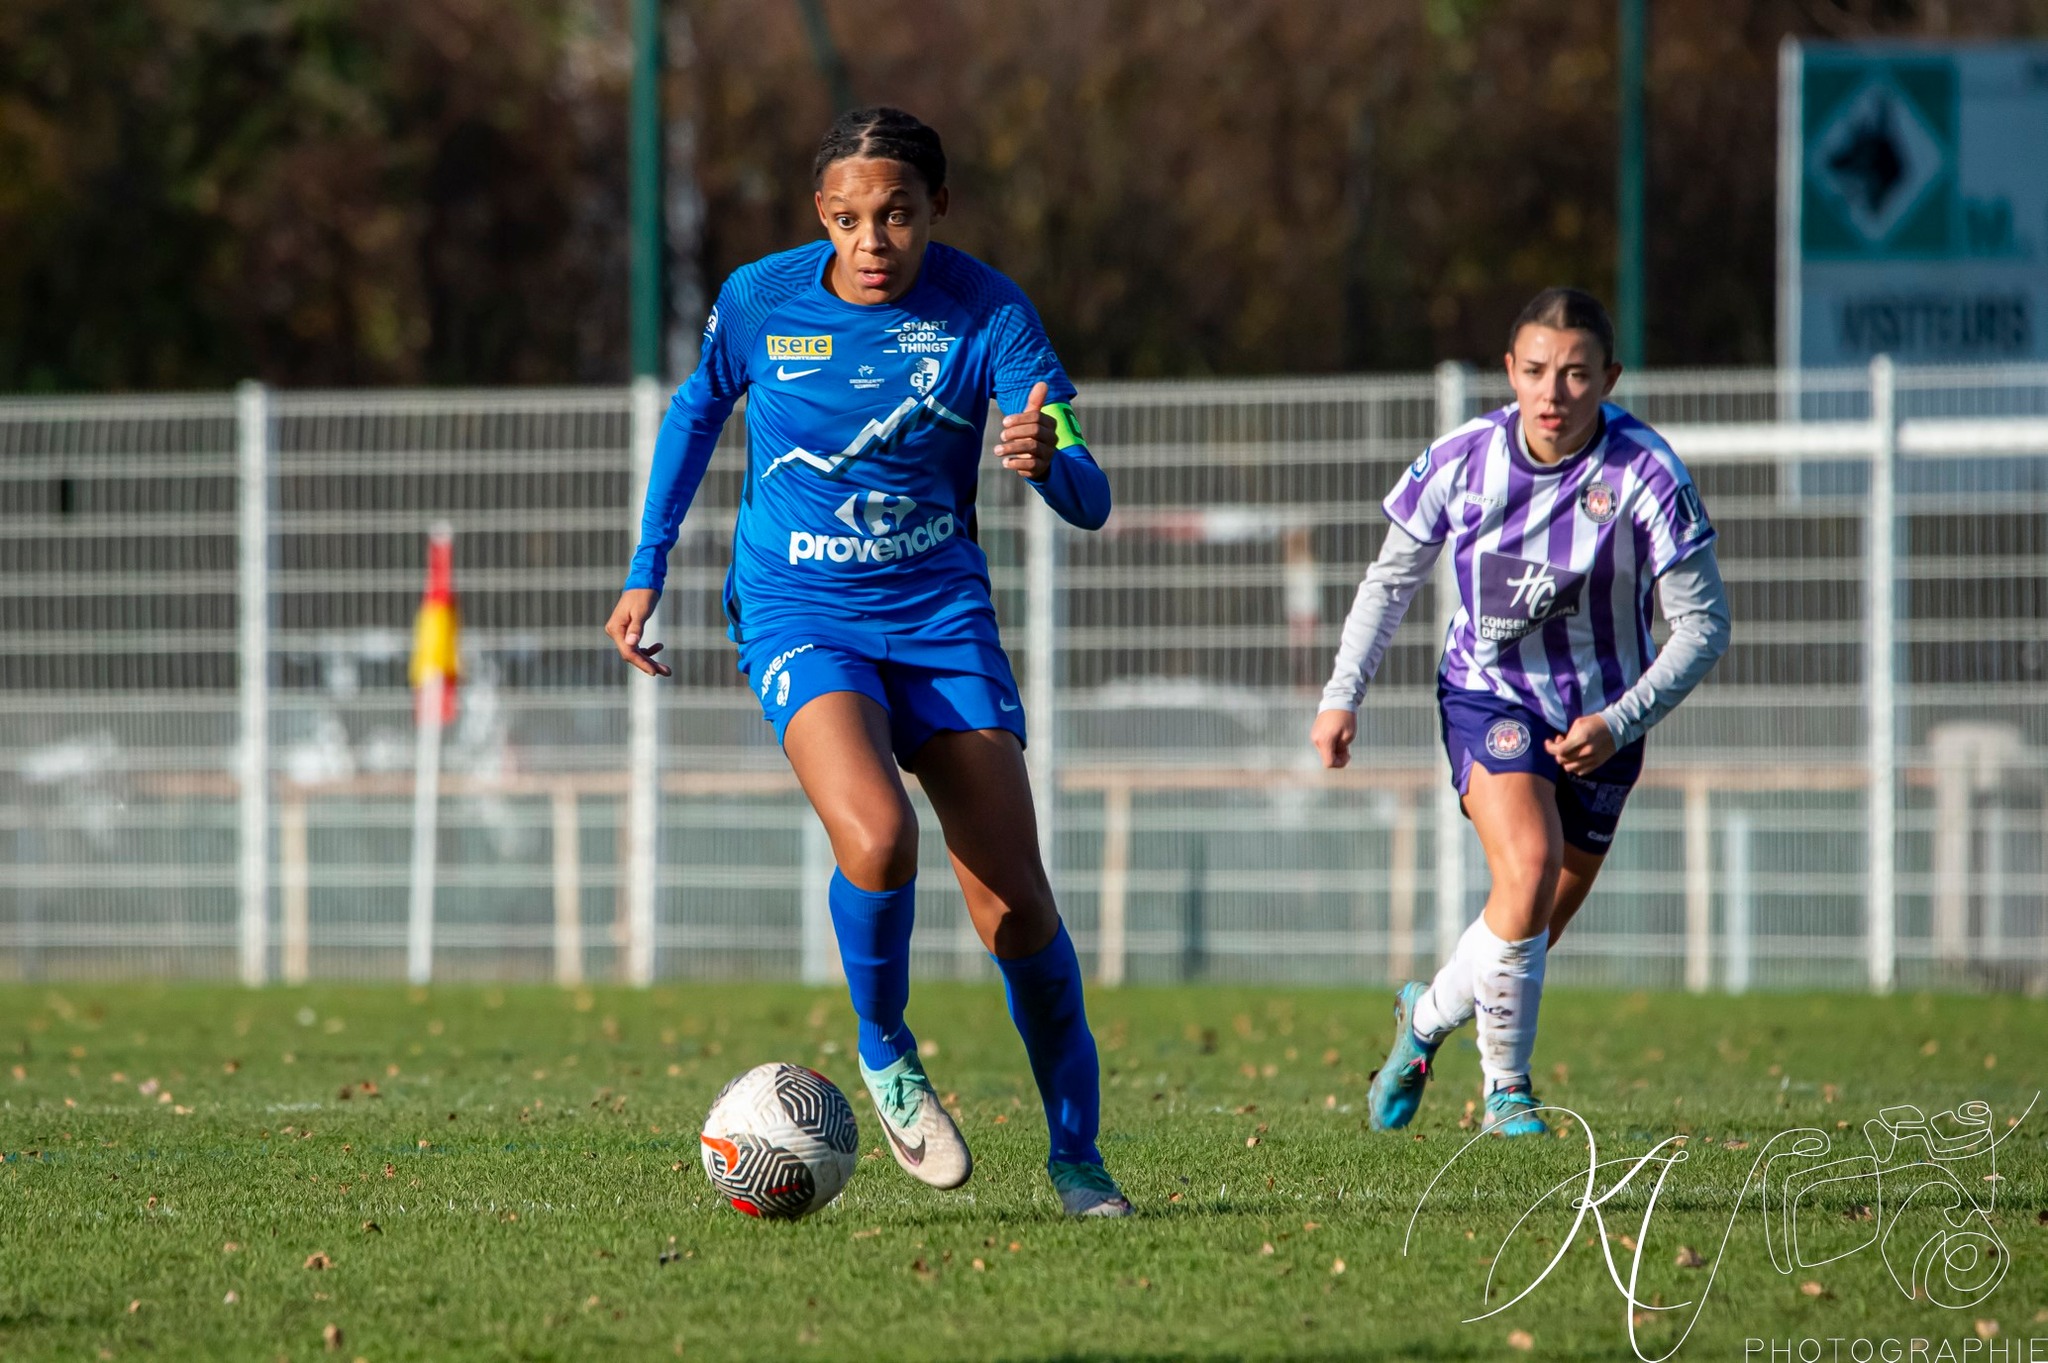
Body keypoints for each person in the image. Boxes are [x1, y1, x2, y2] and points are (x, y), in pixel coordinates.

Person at [606, 107, 1130, 1215]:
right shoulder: (759, 298)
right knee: (878, 837)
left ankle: (1077, 1157)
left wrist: (1047, 463)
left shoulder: (990, 312)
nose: (871, 240)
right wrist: (645, 566)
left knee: (1016, 910)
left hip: (939, 617)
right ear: (821, 218)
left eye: (894, 214)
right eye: (847, 219)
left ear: (936, 208)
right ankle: (884, 1047)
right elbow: (696, 412)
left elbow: (1089, 496)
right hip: (799, 609)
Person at [1311, 288, 1730, 1138]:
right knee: (1528, 866)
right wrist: (1340, 693)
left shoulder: (1647, 472)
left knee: (1527, 925)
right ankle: (1507, 1091)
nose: (1554, 393)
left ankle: (1422, 1020)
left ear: (1608, 378)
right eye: (1536, 371)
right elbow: (1390, 580)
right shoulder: (1463, 459)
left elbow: (1704, 625)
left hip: (1605, 724)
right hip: (1488, 696)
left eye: (1577, 375)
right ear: (1510, 371)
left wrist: (1621, 719)